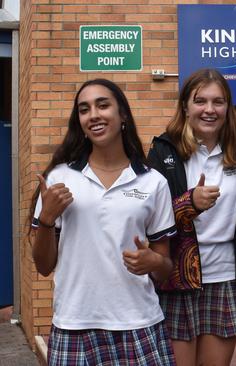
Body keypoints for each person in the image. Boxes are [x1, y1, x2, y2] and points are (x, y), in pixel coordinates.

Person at [30, 79, 177, 365]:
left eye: (103, 105)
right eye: (84, 109)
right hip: (74, 324)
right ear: (80, 122)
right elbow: (44, 267)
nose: (93, 114)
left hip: (139, 323)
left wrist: (153, 262)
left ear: (123, 114)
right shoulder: (60, 178)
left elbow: (165, 268)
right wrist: (46, 220)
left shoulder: (153, 181)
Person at [147, 67, 236, 366]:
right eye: (200, 101)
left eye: (218, 102)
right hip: (178, 278)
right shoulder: (163, 149)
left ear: (227, 107)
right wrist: (189, 202)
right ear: (185, 106)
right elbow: (148, 216)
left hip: (226, 276)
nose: (209, 109)